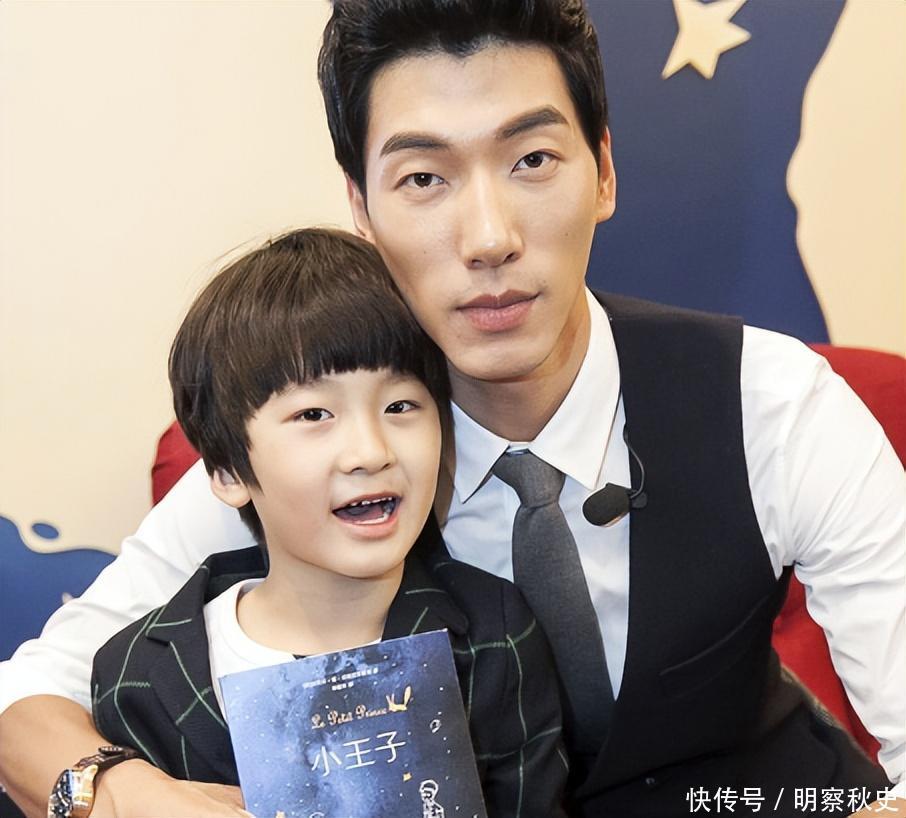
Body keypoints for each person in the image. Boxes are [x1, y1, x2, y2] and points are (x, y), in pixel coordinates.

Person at [0, 1, 903, 816]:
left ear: (603, 172)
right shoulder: (321, 459)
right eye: (424, 179)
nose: (489, 238)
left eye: (532, 160)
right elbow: (28, 697)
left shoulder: (770, 402)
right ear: (361, 207)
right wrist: (123, 796)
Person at [89, 227, 567, 818]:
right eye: (314, 414)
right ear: (229, 471)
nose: (370, 452)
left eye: (400, 406)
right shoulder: (139, 676)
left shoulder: (494, 634)